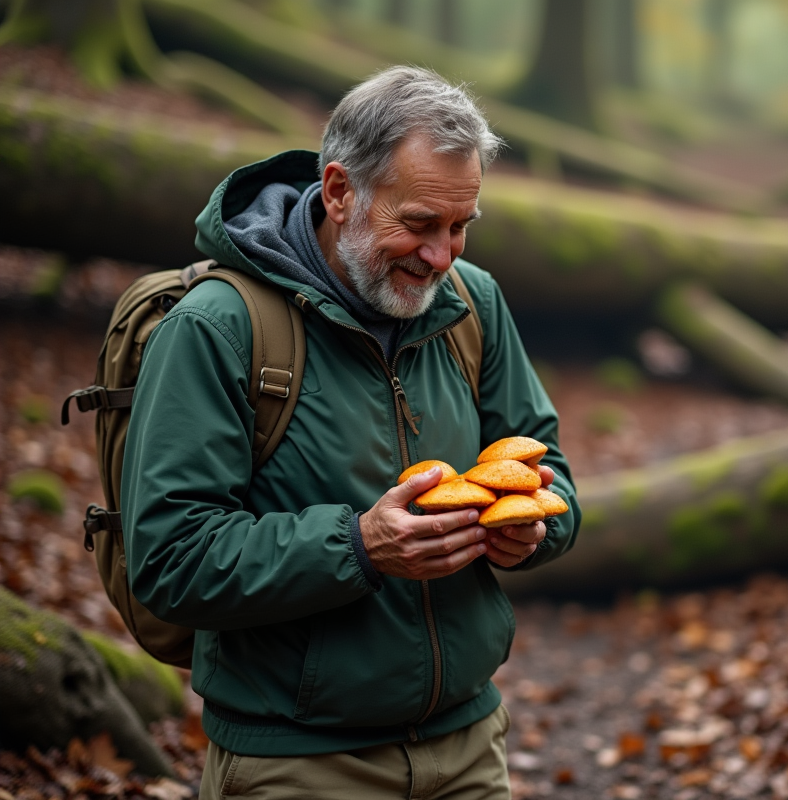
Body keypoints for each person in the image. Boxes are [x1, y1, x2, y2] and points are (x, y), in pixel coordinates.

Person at [121, 66, 580, 799]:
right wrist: (359, 547)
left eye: (461, 226)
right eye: (420, 224)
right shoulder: (217, 328)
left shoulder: (473, 303)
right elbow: (171, 560)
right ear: (339, 192)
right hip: (297, 763)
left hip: (468, 747)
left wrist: (535, 531)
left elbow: (548, 467)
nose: (443, 255)